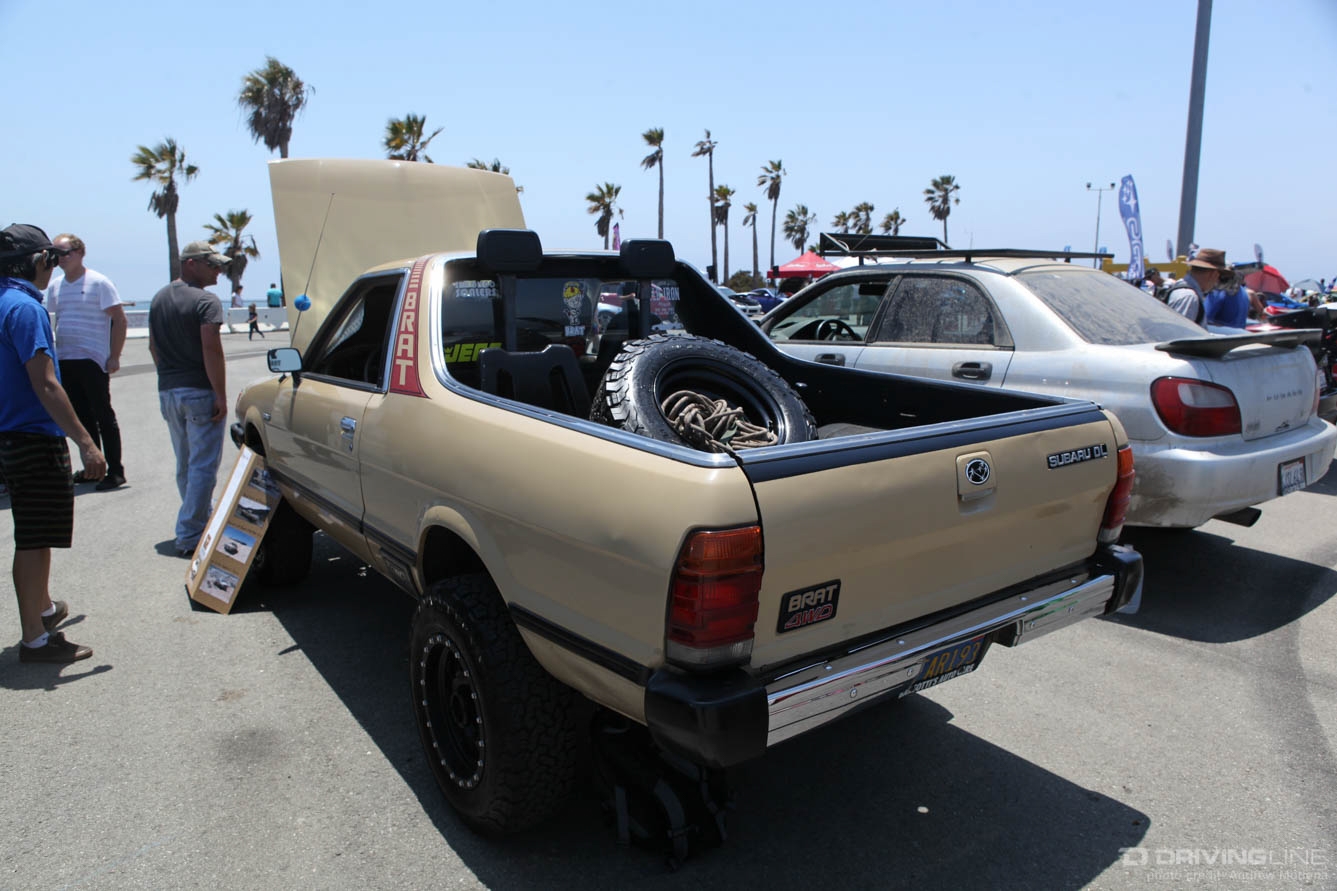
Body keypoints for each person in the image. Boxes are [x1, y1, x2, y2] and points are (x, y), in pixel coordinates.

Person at [0, 223, 107, 663]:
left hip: (8, 434)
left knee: (35, 534)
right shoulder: (25, 309)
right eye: (53, 259)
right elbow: (46, 384)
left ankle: (43, 610)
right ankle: (35, 640)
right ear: (39, 261)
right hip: (31, 435)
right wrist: (86, 442)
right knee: (34, 538)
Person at [148, 241, 229, 557]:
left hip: (168, 389)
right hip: (198, 390)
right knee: (203, 466)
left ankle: (196, 522)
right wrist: (219, 394)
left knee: (185, 463)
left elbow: (153, 347)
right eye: (213, 264)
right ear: (192, 263)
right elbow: (211, 349)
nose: (218, 270)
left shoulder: (158, 299)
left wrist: (168, 379)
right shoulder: (206, 301)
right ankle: (191, 534)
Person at [45, 233, 127, 490]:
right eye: (55, 254)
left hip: (92, 359)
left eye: (64, 253)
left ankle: (115, 470)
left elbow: (120, 320)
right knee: (81, 417)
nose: (60, 259)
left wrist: (114, 355)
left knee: (104, 415)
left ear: (80, 253)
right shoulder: (56, 286)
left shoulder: (99, 282)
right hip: (66, 358)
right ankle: (93, 468)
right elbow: (51, 322)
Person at [1165, 248, 1228, 325]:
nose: (1217, 282)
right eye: (1219, 277)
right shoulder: (1189, 297)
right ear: (1214, 274)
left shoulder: (1182, 291)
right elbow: (1181, 333)